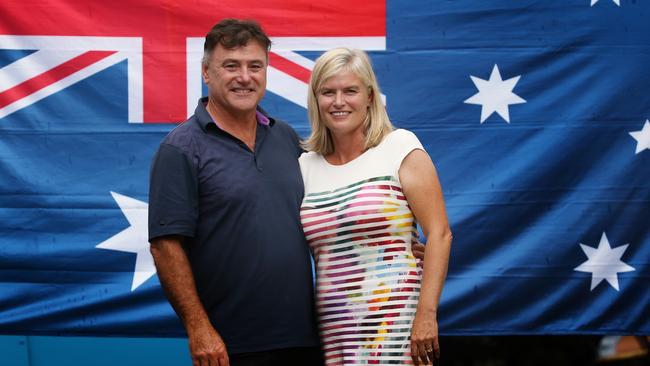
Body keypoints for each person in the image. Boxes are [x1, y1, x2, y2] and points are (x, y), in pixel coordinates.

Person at [147, 19, 323, 366]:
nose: (245, 77)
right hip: (230, 348)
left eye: (255, 66)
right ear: (206, 73)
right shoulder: (181, 149)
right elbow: (166, 247)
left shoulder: (286, 137)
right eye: (231, 66)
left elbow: (327, 210)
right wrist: (198, 328)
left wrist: (389, 242)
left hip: (305, 339)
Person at [299, 48, 452, 365]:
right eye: (328, 92)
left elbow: (439, 235)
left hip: (397, 325)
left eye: (350, 90)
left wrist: (426, 314)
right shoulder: (304, 166)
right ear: (316, 100)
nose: (339, 102)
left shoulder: (399, 147)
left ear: (369, 96)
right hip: (335, 330)